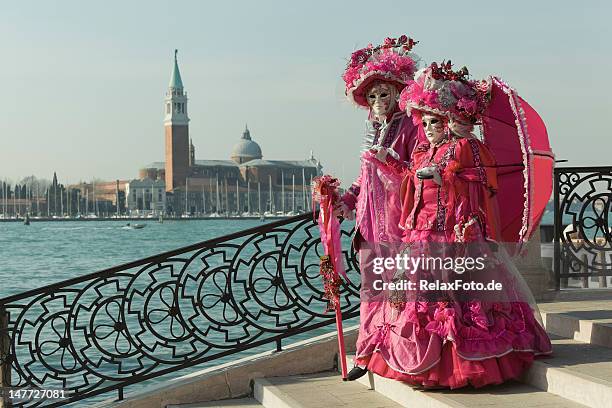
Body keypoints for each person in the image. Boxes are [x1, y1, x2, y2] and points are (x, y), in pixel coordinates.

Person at [350, 61, 553, 388]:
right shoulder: (423, 152)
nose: (427, 128)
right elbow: (409, 185)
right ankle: (421, 359)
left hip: (454, 232)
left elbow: (480, 182)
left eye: (434, 121)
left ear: (449, 121)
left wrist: (446, 177)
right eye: (424, 121)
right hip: (422, 235)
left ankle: (460, 362)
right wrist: (389, 164)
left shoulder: (465, 147)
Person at [335, 36, 423, 380]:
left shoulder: (412, 127)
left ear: (397, 93)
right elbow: (363, 178)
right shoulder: (373, 130)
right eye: (371, 96)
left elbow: (416, 171)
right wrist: (345, 200)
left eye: (383, 94)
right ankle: (368, 353)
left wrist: (391, 161)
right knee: (371, 288)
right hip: (370, 225)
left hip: (400, 223)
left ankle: (404, 353)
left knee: (403, 287)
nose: (377, 101)